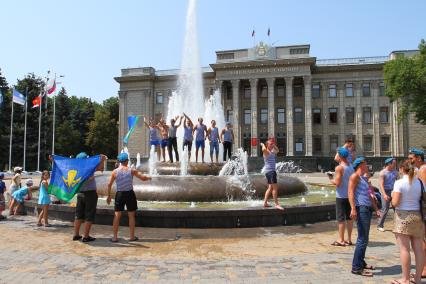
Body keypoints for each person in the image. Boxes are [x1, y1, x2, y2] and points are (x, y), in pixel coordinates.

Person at [390, 160, 425, 284]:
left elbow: (395, 202)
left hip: (403, 217)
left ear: (401, 169)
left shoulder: (399, 183)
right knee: (419, 250)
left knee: (404, 249)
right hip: (418, 216)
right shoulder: (420, 183)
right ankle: (417, 279)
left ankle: (405, 279)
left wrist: (392, 197)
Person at [107, 153, 151, 242]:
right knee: (131, 216)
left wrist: (108, 196)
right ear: (127, 161)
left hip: (119, 194)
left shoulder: (115, 171)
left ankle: (115, 237)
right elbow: (142, 178)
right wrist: (149, 178)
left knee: (117, 215)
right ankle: (131, 237)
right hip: (130, 194)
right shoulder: (131, 170)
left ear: (120, 161)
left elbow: (109, 184)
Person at [348, 157, 381, 277]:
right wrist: (352, 208)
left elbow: (370, 195)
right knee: (362, 239)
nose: (367, 165)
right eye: (366, 163)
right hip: (360, 208)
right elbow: (350, 192)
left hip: (366, 209)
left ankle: (361, 262)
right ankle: (356, 267)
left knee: (365, 238)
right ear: (361, 165)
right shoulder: (354, 176)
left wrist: (376, 209)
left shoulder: (364, 178)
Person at [73, 152, 107, 242]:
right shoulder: (89, 168)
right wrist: (102, 160)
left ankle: (76, 234)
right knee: (89, 215)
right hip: (90, 194)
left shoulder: (76, 169)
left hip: (80, 193)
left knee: (78, 215)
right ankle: (86, 236)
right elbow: (101, 168)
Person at [329, 147, 354, 246]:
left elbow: (337, 183)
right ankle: (349, 239)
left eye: (337, 154)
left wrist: (330, 179)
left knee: (340, 219)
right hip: (350, 195)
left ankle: (341, 240)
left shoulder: (339, 168)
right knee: (349, 219)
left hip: (341, 196)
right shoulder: (351, 166)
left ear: (340, 156)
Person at [408, 148, 426, 279]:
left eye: (411, 158)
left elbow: (423, 191)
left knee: (423, 239)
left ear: (418, 158)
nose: (410, 160)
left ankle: (424, 269)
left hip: (423, 208)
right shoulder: (419, 170)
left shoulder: (424, 169)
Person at [261, 139, 284, 210]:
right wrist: (262, 145)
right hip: (271, 172)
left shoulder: (272, 152)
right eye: (270, 144)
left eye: (272, 144)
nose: (272, 145)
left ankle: (265, 203)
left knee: (270, 188)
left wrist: (273, 145)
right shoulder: (266, 152)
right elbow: (263, 149)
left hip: (270, 172)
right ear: (267, 145)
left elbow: (277, 150)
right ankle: (277, 204)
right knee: (275, 188)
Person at [377, 157, 398, 232]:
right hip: (385, 191)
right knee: (385, 209)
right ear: (389, 164)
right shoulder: (382, 173)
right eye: (394, 163)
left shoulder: (395, 172)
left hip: (394, 191)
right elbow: (381, 185)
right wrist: (384, 194)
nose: (395, 165)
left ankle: (397, 225)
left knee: (397, 208)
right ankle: (380, 225)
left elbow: (397, 182)